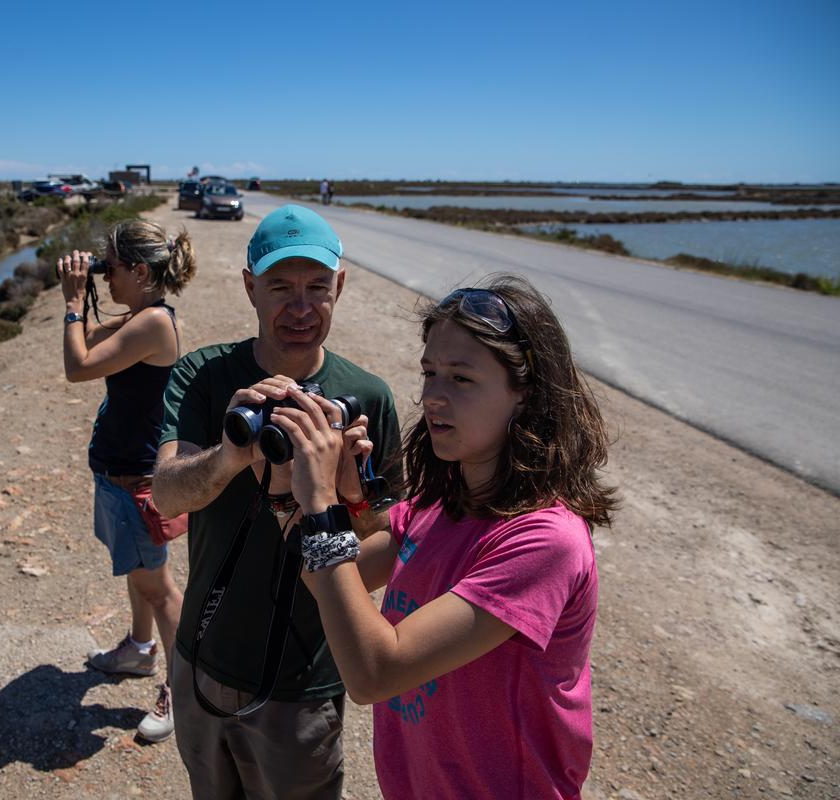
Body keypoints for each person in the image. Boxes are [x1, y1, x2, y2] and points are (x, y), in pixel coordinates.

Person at [268, 274, 618, 799]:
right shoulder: (441, 502)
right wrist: (302, 489)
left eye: (461, 378)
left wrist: (319, 505)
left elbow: (374, 673)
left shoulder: (546, 541)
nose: (433, 396)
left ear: (525, 393)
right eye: (430, 372)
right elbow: (327, 577)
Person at [151, 204, 402, 799]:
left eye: (317, 287)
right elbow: (165, 496)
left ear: (339, 287)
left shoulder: (367, 397)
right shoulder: (206, 377)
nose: (300, 307)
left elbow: (389, 545)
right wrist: (233, 454)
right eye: (280, 287)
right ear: (249, 288)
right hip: (203, 655)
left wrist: (347, 491)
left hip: (303, 677)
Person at [57, 219, 197, 743]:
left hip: (137, 478)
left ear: (139, 271)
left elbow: (78, 365)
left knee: (158, 588)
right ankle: (139, 651)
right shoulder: (140, 314)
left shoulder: (154, 323)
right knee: (139, 575)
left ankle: (184, 689)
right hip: (118, 471)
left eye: (111, 267)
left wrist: (74, 301)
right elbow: (90, 339)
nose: (105, 276)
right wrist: (81, 297)